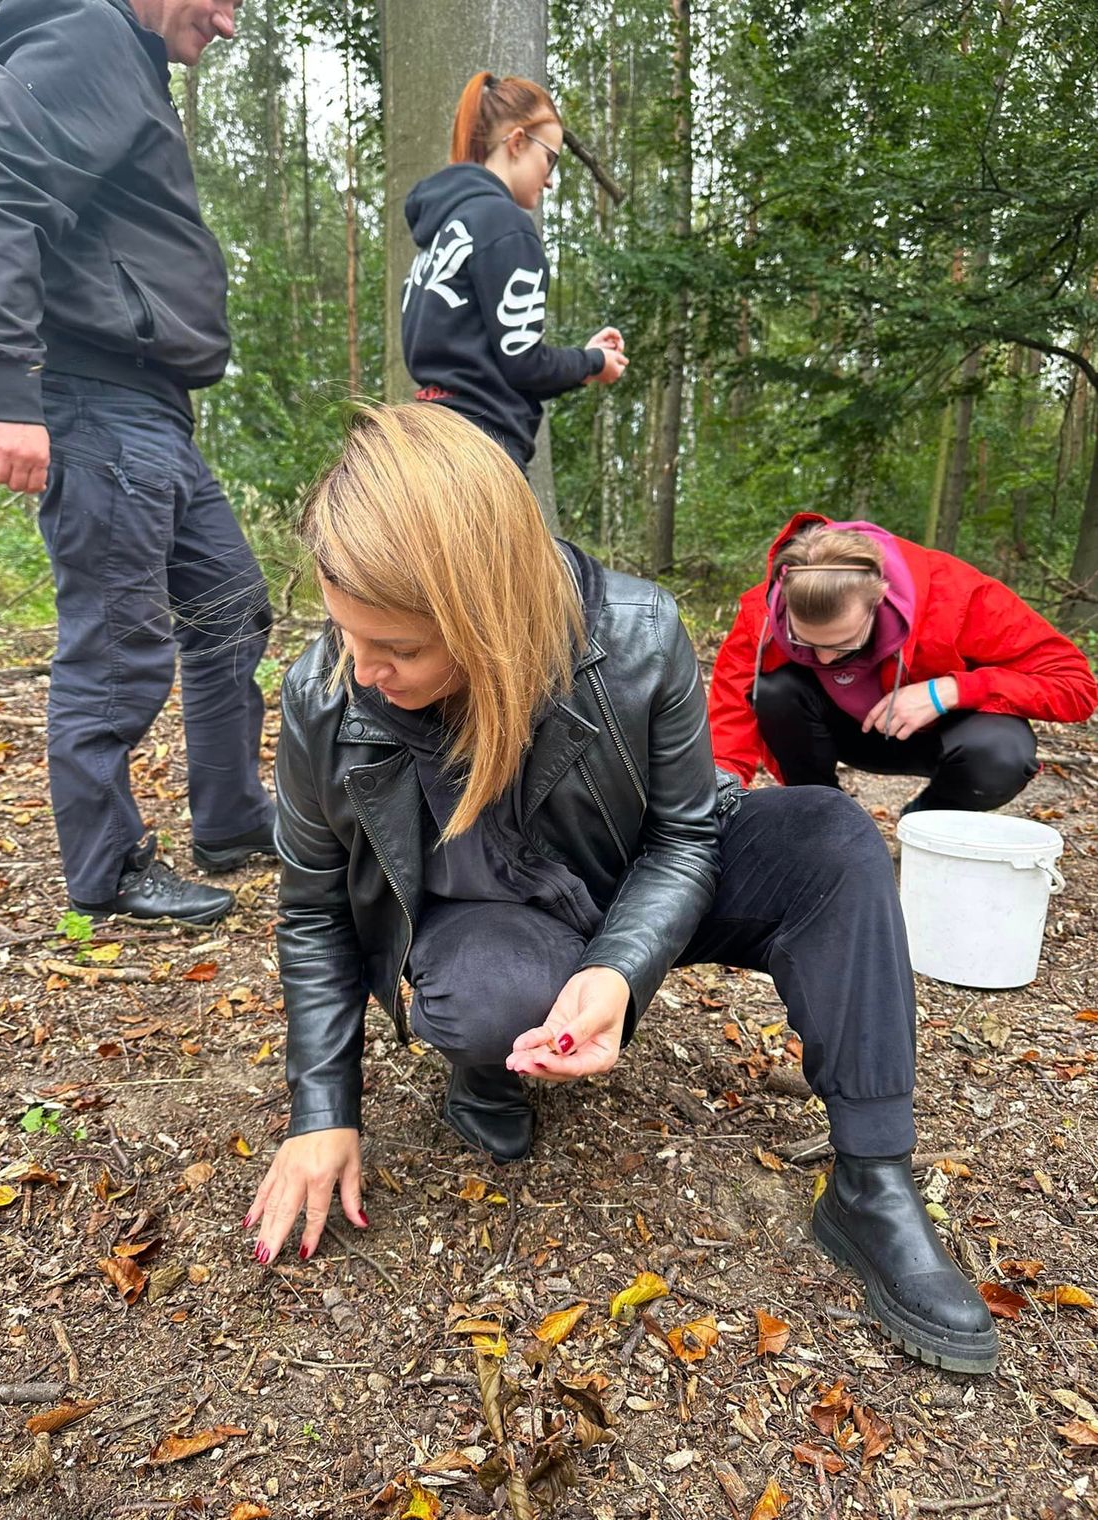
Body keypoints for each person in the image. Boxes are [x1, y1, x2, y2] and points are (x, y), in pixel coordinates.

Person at [244, 404, 998, 1377]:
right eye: (349, 637)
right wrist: (321, 1111)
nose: (365, 671)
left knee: (832, 838)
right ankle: (489, 1068)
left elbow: (689, 832)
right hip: (493, 911)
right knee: (484, 1003)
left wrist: (619, 966)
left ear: (487, 618)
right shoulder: (327, 694)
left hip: (636, 874)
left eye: (397, 649)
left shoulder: (637, 633)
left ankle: (873, 1183)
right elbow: (312, 907)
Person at [0, 0, 276, 924]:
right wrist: (9, 389)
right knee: (115, 639)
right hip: (94, 400)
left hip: (154, 410)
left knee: (231, 605)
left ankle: (229, 817)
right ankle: (106, 871)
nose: (226, 26)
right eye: (220, 1)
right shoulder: (87, 37)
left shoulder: (129, 63)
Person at [709, 513, 1098, 811]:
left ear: (881, 600)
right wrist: (716, 801)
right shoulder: (762, 615)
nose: (824, 658)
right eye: (805, 643)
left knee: (1001, 754)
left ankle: (925, 827)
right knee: (774, 691)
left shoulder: (957, 595)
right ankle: (822, 817)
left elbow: (1077, 687)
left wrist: (950, 689)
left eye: (844, 643)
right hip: (840, 730)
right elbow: (728, 717)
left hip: (939, 736)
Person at [400, 71, 628, 472]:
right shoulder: (506, 225)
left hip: (426, 438)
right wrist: (593, 361)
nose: (551, 179)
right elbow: (524, 364)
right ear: (518, 141)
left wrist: (584, 363)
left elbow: (481, 355)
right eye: (550, 158)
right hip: (481, 454)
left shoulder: (440, 232)